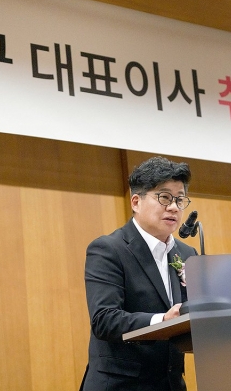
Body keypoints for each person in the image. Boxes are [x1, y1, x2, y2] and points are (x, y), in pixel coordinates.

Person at [80, 156, 198, 391]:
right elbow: (104, 320)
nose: (174, 207)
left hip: (171, 384)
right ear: (136, 201)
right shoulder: (108, 249)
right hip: (121, 384)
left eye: (180, 199)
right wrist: (162, 321)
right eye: (164, 197)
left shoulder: (187, 253)